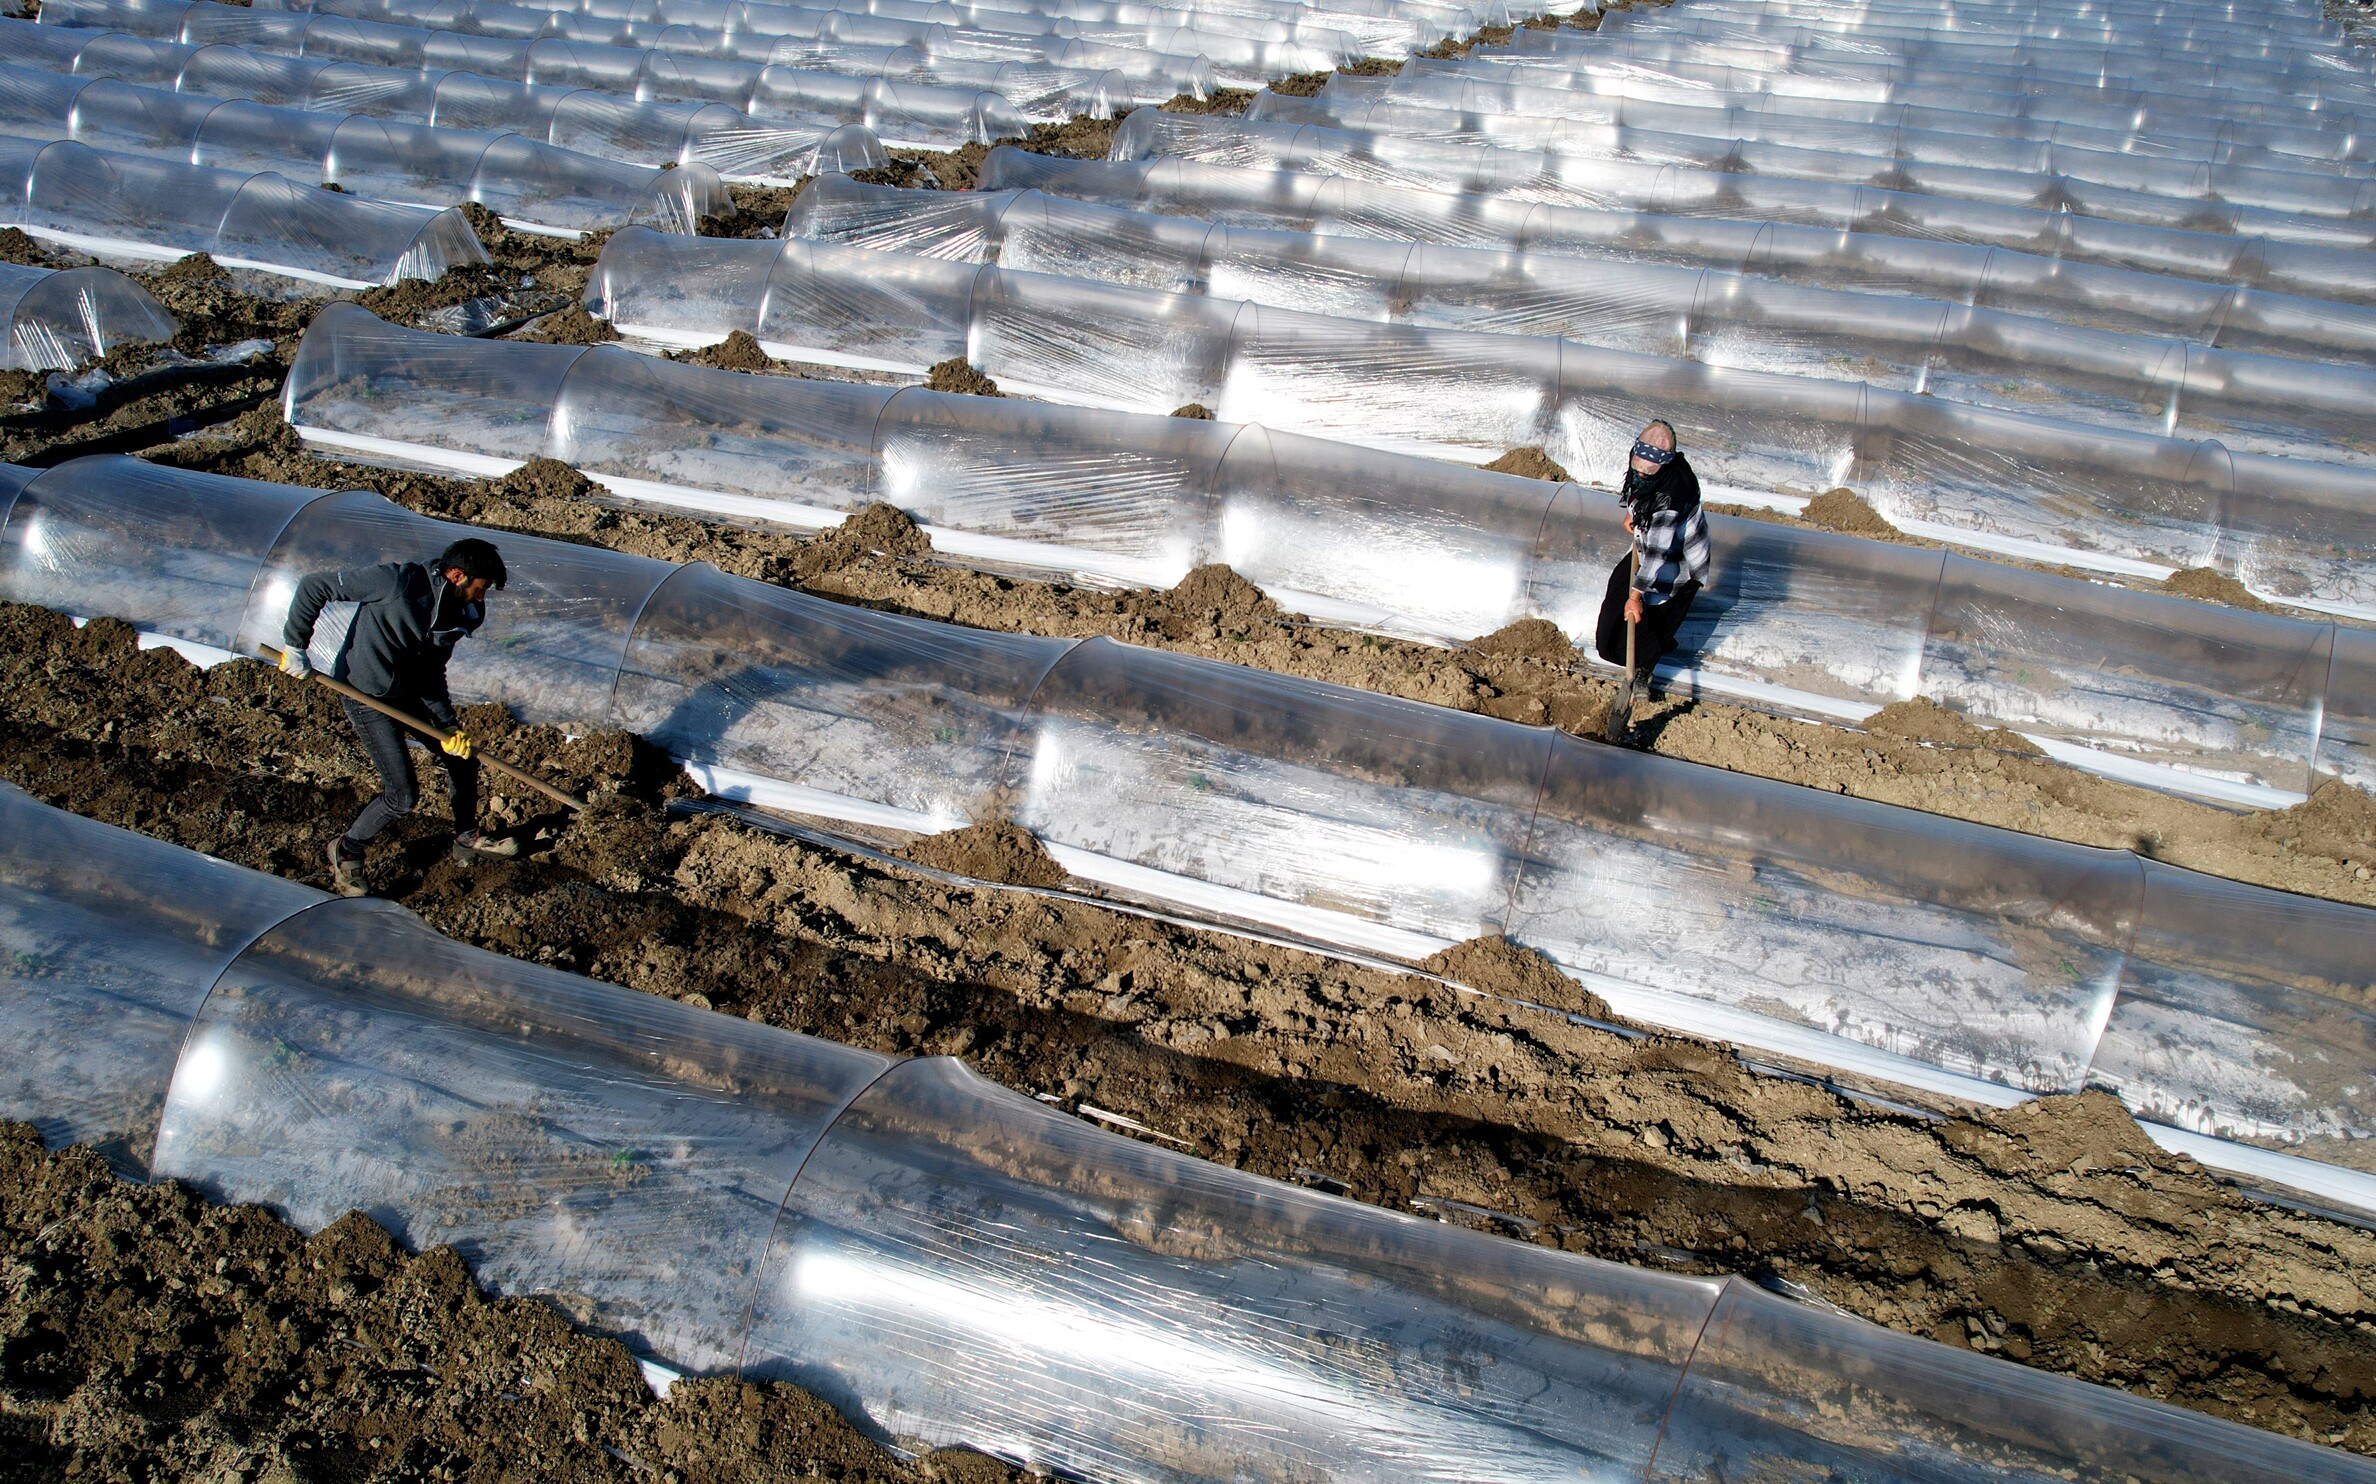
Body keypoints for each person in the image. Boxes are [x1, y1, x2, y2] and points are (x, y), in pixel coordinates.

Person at [280, 537, 520, 896]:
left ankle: (466, 838)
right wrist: (295, 645)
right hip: (367, 695)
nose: (482, 598)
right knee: (402, 795)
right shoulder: (397, 582)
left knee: (464, 759)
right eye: (480, 588)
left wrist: (447, 725)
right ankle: (346, 851)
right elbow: (315, 586)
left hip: (410, 694)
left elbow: (433, 671)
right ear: (457, 575)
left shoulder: (461, 612)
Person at [1595, 419, 1710, 685]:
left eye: (1648, 474)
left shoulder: (1671, 497)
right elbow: (1635, 484)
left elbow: (1658, 556)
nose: (1641, 474)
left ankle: (1644, 670)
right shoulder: (1643, 460)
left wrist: (1636, 596)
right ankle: (1627, 651)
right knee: (1618, 590)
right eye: (1639, 469)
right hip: (1647, 542)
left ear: (1664, 465)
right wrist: (1632, 512)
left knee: (1655, 614)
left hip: (1678, 559)